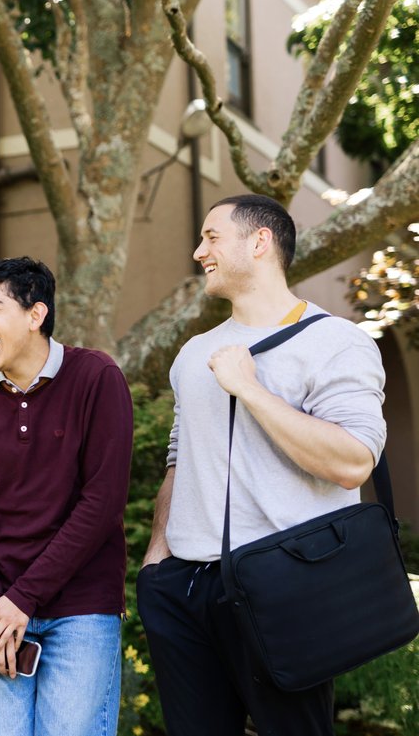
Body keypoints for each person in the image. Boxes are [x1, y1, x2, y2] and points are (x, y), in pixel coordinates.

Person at [137, 194, 386, 736]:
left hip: (288, 584)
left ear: (260, 241)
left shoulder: (337, 342)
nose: (198, 250)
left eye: (211, 237)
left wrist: (249, 390)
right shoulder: (193, 353)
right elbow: (181, 458)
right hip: (185, 587)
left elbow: (353, 462)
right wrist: (158, 557)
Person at [0, 257, 133, 736]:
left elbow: (102, 504)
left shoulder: (96, 378)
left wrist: (22, 599)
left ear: (36, 314)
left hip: (82, 609)